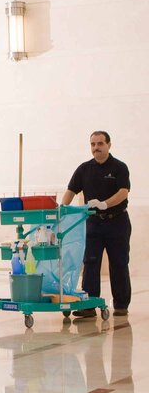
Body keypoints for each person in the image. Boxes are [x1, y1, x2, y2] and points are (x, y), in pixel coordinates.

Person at [61, 131, 131, 318]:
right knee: (90, 263)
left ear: (109, 145)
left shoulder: (119, 167)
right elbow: (70, 191)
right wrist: (60, 212)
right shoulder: (84, 169)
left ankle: (121, 304)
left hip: (117, 221)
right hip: (92, 223)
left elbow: (124, 191)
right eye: (93, 144)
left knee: (119, 263)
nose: (96, 147)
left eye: (100, 143)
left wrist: (105, 204)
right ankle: (89, 305)